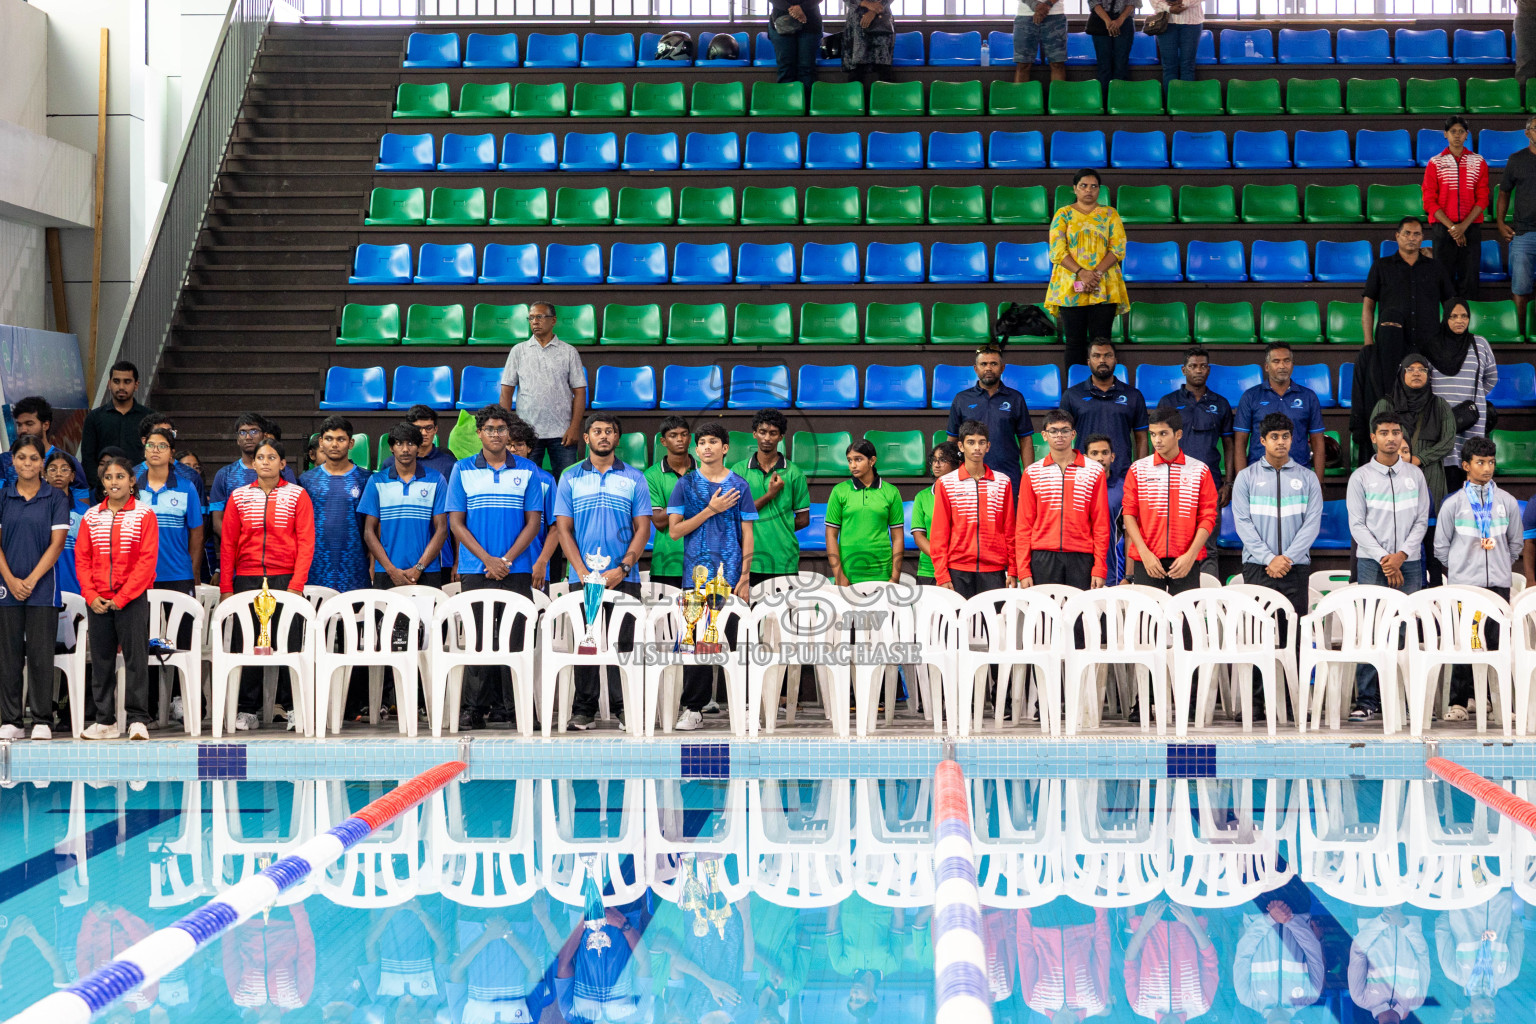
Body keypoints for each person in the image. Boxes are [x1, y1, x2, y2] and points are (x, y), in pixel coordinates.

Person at [554, 414, 652, 732]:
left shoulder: (635, 478)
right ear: (586, 438)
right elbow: (563, 530)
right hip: (583, 579)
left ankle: (625, 709)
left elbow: (643, 528)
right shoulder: (569, 477)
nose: (604, 436)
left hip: (625, 578)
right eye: (597, 431)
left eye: (609, 431)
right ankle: (583, 710)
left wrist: (623, 568)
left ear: (617, 438)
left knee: (624, 644)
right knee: (588, 643)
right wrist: (582, 571)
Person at [447, 405, 542, 731]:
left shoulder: (528, 470)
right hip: (476, 568)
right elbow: (456, 524)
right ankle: (475, 709)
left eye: (501, 429)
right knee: (478, 638)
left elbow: (533, 523)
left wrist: (506, 560)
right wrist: (487, 559)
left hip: (517, 569)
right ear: (479, 433)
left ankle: (518, 708)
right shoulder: (461, 470)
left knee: (517, 638)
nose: (496, 434)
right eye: (490, 429)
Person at [219, 437, 315, 731]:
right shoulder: (238, 497)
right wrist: (226, 586)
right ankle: (247, 709)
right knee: (246, 644)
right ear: (254, 462)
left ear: (283, 464)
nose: (265, 462)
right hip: (246, 579)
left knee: (289, 644)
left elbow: (306, 542)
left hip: (285, 579)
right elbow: (228, 543)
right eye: (260, 457)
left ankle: (291, 707)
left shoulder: (298, 496)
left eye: (271, 457)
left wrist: (297, 584)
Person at [667, 423, 756, 731]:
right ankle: (693, 708)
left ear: (725, 448)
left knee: (735, 643)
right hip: (696, 578)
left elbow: (748, 532)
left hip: (730, 578)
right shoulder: (685, 485)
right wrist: (710, 509)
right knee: (696, 645)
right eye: (701, 442)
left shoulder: (740, 485)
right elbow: (675, 531)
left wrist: (744, 576)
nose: (706, 447)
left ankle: (743, 706)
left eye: (713, 442)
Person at [1346, 411, 1431, 721]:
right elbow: (1357, 525)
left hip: (1408, 564)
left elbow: (1422, 520)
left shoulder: (1415, 475)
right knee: (1372, 630)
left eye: (1396, 432)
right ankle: (1367, 700)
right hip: (1372, 564)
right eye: (1384, 432)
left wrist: (1402, 556)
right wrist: (1385, 558)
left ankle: (1408, 701)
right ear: (1373, 437)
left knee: (1406, 632)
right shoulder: (1361, 477)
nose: (1391, 437)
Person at [1433, 436, 1522, 715]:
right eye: (1480, 462)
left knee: (1496, 644)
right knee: (1464, 644)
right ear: (1465, 466)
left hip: (1498, 586)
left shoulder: (1506, 502)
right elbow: (1441, 547)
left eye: (1491, 462)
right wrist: (1461, 568)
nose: (1487, 468)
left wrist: (1499, 566)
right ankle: (1459, 702)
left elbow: (1515, 544)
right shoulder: (1454, 504)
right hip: (1464, 586)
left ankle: (1496, 702)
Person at [75, 455, 160, 741]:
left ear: (132, 481)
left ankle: (137, 720)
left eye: (120, 477)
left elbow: (147, 561)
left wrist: (123, 597)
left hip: (131, 599)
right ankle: (105, 722)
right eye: (109, 477)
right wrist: (90, 595)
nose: (114, 482)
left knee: (136, 659)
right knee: (101, 661)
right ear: (102, 482)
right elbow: (83, 559)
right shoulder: (91, 516)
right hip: (97, 600)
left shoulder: (144, 514)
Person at [1233, 413, 1323, 656]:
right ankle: (1259, 695)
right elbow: (1242, 523)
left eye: (1285, 436)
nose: (1281, 442)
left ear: (1293, 440)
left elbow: (1312, 524)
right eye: (1274, 437)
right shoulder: (1246, 477)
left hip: (1295, 567)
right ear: (1262, 440)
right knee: (1257, 637)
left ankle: (1294, 694)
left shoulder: (1308, 478)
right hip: (1257, 567)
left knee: (1293, 639)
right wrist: (1268, 558)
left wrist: (1287, 558)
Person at [0, 436, 70, 741]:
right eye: (22, 457)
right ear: (13, 461)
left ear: (42, 463)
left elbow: (56, 546)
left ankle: (43, 719)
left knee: (42, 655)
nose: (27, 463)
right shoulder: (2, 497)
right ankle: (11, 720)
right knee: (8, 655)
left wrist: (30, 580)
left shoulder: (55, 498)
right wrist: (12, 581)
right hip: (6, 588)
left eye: (33, 458)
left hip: (44, 588)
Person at [1358, 217, 1455, 419]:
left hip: (1429, 345)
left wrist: (1447, 339)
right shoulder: (1381, 266)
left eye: (1417, 234)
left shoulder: (1435, 267)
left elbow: (1450, 305)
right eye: (1407, 233)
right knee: (1391, 399)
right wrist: (1368, 341)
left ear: (1423, 238)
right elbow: (1368, 306)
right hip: (1391, 345)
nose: (1412, 238)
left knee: (1426, 403)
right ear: (1397, 236)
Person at [1123, 407, 1217, 595]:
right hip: (1147, 560)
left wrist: (1190, 556)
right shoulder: (1138, 469)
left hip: (1185, 561)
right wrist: (1144, 554)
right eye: (1153, 434)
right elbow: (1129, 514)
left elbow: (1208, 517)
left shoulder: (1199, 470)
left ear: (1178, 434)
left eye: (1163, 433)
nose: (1157, 440)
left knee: (1184, 622)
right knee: (1149, 623)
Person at [1015, 408, 1110, 589]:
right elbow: (1023, 526)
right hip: (1042, 556)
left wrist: (1099, 567)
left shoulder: (1094, 471)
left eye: (1065, 430)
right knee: (1045, 616)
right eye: (1053, 431)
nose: (1059, 435)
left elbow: (1101, 524)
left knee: (1080, 616)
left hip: (1082, 556)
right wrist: (1024, 569)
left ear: (1073, 434)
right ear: (1044, 435)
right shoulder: (1032, 472)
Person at [1046, 170, 1130, 370]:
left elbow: (1117, 248)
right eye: (1084, 185)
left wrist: (1096, 274)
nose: (1089, 190)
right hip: (1070, 284)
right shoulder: (1063, 214)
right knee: (1074, 342)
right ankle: (1075, 394)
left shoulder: (1110, 214)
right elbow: (1057, 250)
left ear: (1099, 190)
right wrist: (1081, 272)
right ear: (1074, 189)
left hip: (1104, 284)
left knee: (1101, 342)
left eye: (1094, 186)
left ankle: (1102, 389)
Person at [497, 301, 587, 480]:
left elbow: (580, 392)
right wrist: (507, 428)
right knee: (523, 481)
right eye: (531, 318)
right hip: (526, 433)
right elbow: (506, 391)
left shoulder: (569, 352)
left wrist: (575, 427)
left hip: (562, 433)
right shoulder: (518, 351)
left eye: (539, 317)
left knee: (567, 483)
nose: (534, 322)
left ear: (553, 320)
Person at [930, 420, 1017, 598]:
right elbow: (939, 533)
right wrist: (941, 573)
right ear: (961, 446)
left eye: (981, 442)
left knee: (992, 624)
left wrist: (1013, 569)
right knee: (959, 623)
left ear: (988, 446)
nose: (976, 447)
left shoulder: (1003, 482)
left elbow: (1009, 530)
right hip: (957, 570)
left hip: (994, 569)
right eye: (971, 442)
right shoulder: (946, 483)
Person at [359, 422, 450, 589]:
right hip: (387, 573)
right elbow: (368, 532)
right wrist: (391, 570)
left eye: (411, 443)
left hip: (427, 572)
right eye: (399, 443)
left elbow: (442, 530)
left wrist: (418, 568)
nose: (405, 449)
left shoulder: (436, 480)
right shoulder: (376, 481)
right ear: (392, 448)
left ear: (418, 447)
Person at [1425, 299, 1498, 499]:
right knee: (1448, 472)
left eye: (1464, 316)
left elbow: (1491, 377)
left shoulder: (1480, 344)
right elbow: (1424, 381)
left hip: (1472, 419)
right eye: (1453, 316)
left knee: (1472, 468)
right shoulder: (1432, 345)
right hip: (1442, 419)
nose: (1460, 321)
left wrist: (1475, 399)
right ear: (1445, 318)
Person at [731, 408, 810, 584]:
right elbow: (735, 513)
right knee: (747, 612)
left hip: (784, 559)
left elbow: (804, 519)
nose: (767, 438)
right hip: (749, 561)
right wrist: (770, 495)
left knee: (784, 612)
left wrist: (780, 528)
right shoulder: (738, 471)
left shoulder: (794, 473)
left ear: (781, 437)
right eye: (762, 432)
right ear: (754, 434)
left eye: (773, 433)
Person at [1233, 342, 1327, 489]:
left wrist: (1319, 483)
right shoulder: (1250, 396)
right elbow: (1240, 443)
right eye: (1276, 361)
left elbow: (1318, 442)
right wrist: (1241, 483)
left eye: (1286, 361)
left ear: (1292, 365)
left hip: (1299, 473)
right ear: (1267, 366)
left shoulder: (1309, 397)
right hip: (1259, 475)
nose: (1282, 366)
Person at [945, 344, 1036, 489]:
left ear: (1002, 368)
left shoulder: (1015, 398)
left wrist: (1029, 477)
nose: (988, 368)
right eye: (983, 364)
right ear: (975, 369)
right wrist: (950, 474)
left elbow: (1025, 439)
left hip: (1009, 476)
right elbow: (952, 440)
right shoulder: (961, 399)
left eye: (993, 363)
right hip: (970, 476)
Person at [1061, 338, 1148, 487]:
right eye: (1096, 356)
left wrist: (1140, 473)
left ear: (1115, 360)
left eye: (1107, 355)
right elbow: (1062, 438)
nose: (1102, 360)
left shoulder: (1133, 395)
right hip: (1083, 476)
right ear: (1088, 361)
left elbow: (1141, 438)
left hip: (1122, 476)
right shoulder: (1072, 395)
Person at [299, 415, 371, 595]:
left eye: (341, 439)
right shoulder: (306, 480)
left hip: (355, 566)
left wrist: (372, 564)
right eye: (329, 439)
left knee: (355, 621)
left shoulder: (366, 479)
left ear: (351, 443)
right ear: (321, 442)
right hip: (316, 566)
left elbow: (373, 528)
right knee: (318, 620)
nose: (334, 444)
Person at [1423, 115, 1490, 300]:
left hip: (1471, 228)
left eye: (1461, 131)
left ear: (1467, 135)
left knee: (1470, 280)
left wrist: (1462, 227)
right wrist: (1453, 228)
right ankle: (1445, 325)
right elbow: (1429, 201)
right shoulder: (1435, 162)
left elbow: (1483, 199)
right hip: (1442, 229)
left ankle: (1468, 325)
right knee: (1443, 279)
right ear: (1445, 134)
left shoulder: (1478, 161)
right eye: (1453, 131)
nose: (1457, 135)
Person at [1159, 346, 1234, 506]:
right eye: (1193, 366)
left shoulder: (1221, 403)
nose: (1198, 370)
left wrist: (1228, 483)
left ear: (1209, 370)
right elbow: (1158, 444)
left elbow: (1229, 445)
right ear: (1184, 370)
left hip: (1210, 480)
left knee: (1209, 530)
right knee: (1174, 531)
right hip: (1173, 480)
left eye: (1203, 366)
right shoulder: (1168, 402)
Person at [1122, 900, 1219, 1024]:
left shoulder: (1140, 1006)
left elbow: (1130, 959)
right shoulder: (1201, 1005)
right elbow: (1210, 959)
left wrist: (1145, 924)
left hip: (1148, 916)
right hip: (1188, 915)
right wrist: (1191, 922)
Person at [135, 426, 203, 596]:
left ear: (172, 453)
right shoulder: (132, 487)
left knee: (182, 623)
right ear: (144, 451)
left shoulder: (187, 488)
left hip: (178, 574)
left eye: (162, 446)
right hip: (139, 574)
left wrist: (193, 571)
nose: (155, 450)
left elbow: (197, 534)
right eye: (150, 445)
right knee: (144, 624)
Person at [826, 440, 904, 586]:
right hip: (848, 574)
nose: (853, 465)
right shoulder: (839, 491)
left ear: (872, 460)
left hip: (882, 574)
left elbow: (898, 538)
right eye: (849, 461)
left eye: (858, 459)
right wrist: (839, 575)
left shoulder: (892, 492)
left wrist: (894, 577)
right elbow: (830, 535)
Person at [209, 412, 296, 539]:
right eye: (242, 432)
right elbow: (218, 522)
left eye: (254, 431)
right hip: (238, 552)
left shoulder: (283, 471)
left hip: (276, 549)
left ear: (264, 436)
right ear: (238, 440)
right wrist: (240, 547)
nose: (248, 437)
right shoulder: (224, 474)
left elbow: (292, 515)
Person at [1348, 907, 1430, 1024]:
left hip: (1371, 915)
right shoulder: (1416, 1001)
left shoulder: (1361, 998)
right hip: (1410, 915)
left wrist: (1383, 920)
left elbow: (1358, 951)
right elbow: (1423, 954)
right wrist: (1404, 924)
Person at [80, 361, 153, 490]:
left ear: (136, 385)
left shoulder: (149, 418)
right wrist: (99, 485)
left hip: (141, 489)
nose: (121, 386)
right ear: (109, 384)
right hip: (102, 490)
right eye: (116, 381)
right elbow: (88, 458)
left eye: (127, 381)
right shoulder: (94, 418)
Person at [0, 397, 88, 504]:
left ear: (45, 425)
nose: (23, 430)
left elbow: (82, 508)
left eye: (29, 424)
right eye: (19, 425)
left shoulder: (67, 461)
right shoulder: (4, 461)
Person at [508, 418, 558, 590]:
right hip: (498, 566)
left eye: (519, 444)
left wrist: (542, 562)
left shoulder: (546, 481)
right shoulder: (490, 479)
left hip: (535, 566)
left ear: (529, 447)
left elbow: (556, 527)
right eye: (508, 444)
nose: (513, 449)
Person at [1496, 115, 1536, 325]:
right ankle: (1519, 332)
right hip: (1523, 234)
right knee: (1520, 288)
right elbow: (1504, 193)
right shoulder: (1516, 159)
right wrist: (1500, 223)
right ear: (1527, 133)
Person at [645, 415, 693, 590]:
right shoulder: (651, 475)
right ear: (664, 441)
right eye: (673, 435)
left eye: (684, 434)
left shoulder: (705, 470)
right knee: (665, 617)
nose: (680, 439)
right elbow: (658, 521)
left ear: (690, 438)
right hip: (666, 563)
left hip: (702, 562)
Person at [912, 442, 960, 585]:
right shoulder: (922, 496)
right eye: (934, 460)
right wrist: (940, 558)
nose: (936, 464)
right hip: (928, 571)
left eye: (943, 460)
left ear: (956, 464)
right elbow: (919, 536)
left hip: (958, 570)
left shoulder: (964, 494)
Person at [1084, 433, 1125, 585]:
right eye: (1094, 453)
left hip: (1113, 574)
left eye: (1105, 453)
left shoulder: (1124, 489)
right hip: (1080, 568)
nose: (1100, 458)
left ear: (1112, 457)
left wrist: (1128, 576)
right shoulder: (1075, 487)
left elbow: (1131, 535)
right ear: (1085, 457)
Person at [46, 451, 85, 596]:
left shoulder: (84, 513)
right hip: (43, 588)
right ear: (44, 475)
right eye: (53, 469)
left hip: (77, 586)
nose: (58, 474)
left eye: (64, 469)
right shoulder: (35, 510)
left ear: (73, 476)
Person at [1088, 0, 1138, 99]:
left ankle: (1119, 102)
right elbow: (1094, 2)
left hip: (1125, 21)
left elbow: (1133, 2)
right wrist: (1108, 21)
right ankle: (1104, 103)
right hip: (1100, 21)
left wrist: (1120, 20)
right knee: (1104, 66)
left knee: (1121, 65)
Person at [1147, 0, 1202, 89]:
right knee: (1169, 67)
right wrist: (1169, 8)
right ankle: (1170, 102)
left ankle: (1186, 102)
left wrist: (1183, 2)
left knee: (1187, 66)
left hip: (1192, 23)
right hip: (1165, 22)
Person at [767, 0, 819, 90]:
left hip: (810, 23)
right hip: (781, 22)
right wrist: (793, 10)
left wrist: (802, 8)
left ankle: (806, 103)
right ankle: (787, 103)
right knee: (785, 69)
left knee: (807, 69)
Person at [1013, 0, 1068, 83]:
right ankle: (1020, 95)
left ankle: (1058, 95)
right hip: (1025, 15)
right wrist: (1036, 5)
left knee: (1057, 63)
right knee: (1023, 64)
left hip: (1055, 16)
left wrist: (1047, 4)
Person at [400, 404, 459, 479]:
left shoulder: (448, 461)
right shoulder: (394, 463)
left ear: (435, 429)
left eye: (429, 428)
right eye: (418, 428)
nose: (424, 433)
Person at [841, 0, 894, 84]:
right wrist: (865, 3)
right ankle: (857, 97)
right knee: (856, 70)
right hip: (857, 25)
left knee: (883, 68)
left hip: (881, 21)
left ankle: (886, 96)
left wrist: (873, 11)